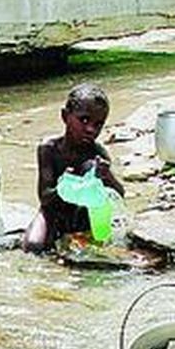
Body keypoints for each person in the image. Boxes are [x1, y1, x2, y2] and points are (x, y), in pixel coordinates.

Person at [24, 83, 126, 252]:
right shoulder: (49, 149)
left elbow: (119, 196)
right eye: (84, 120)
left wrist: (108, 177)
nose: (90, 129)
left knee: (98, 249)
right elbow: (45, 198)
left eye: (98, 124)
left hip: (83, 216)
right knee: (34, 247)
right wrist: (64, 187)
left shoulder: (98, 155)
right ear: (65, 116)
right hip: (54, 212)